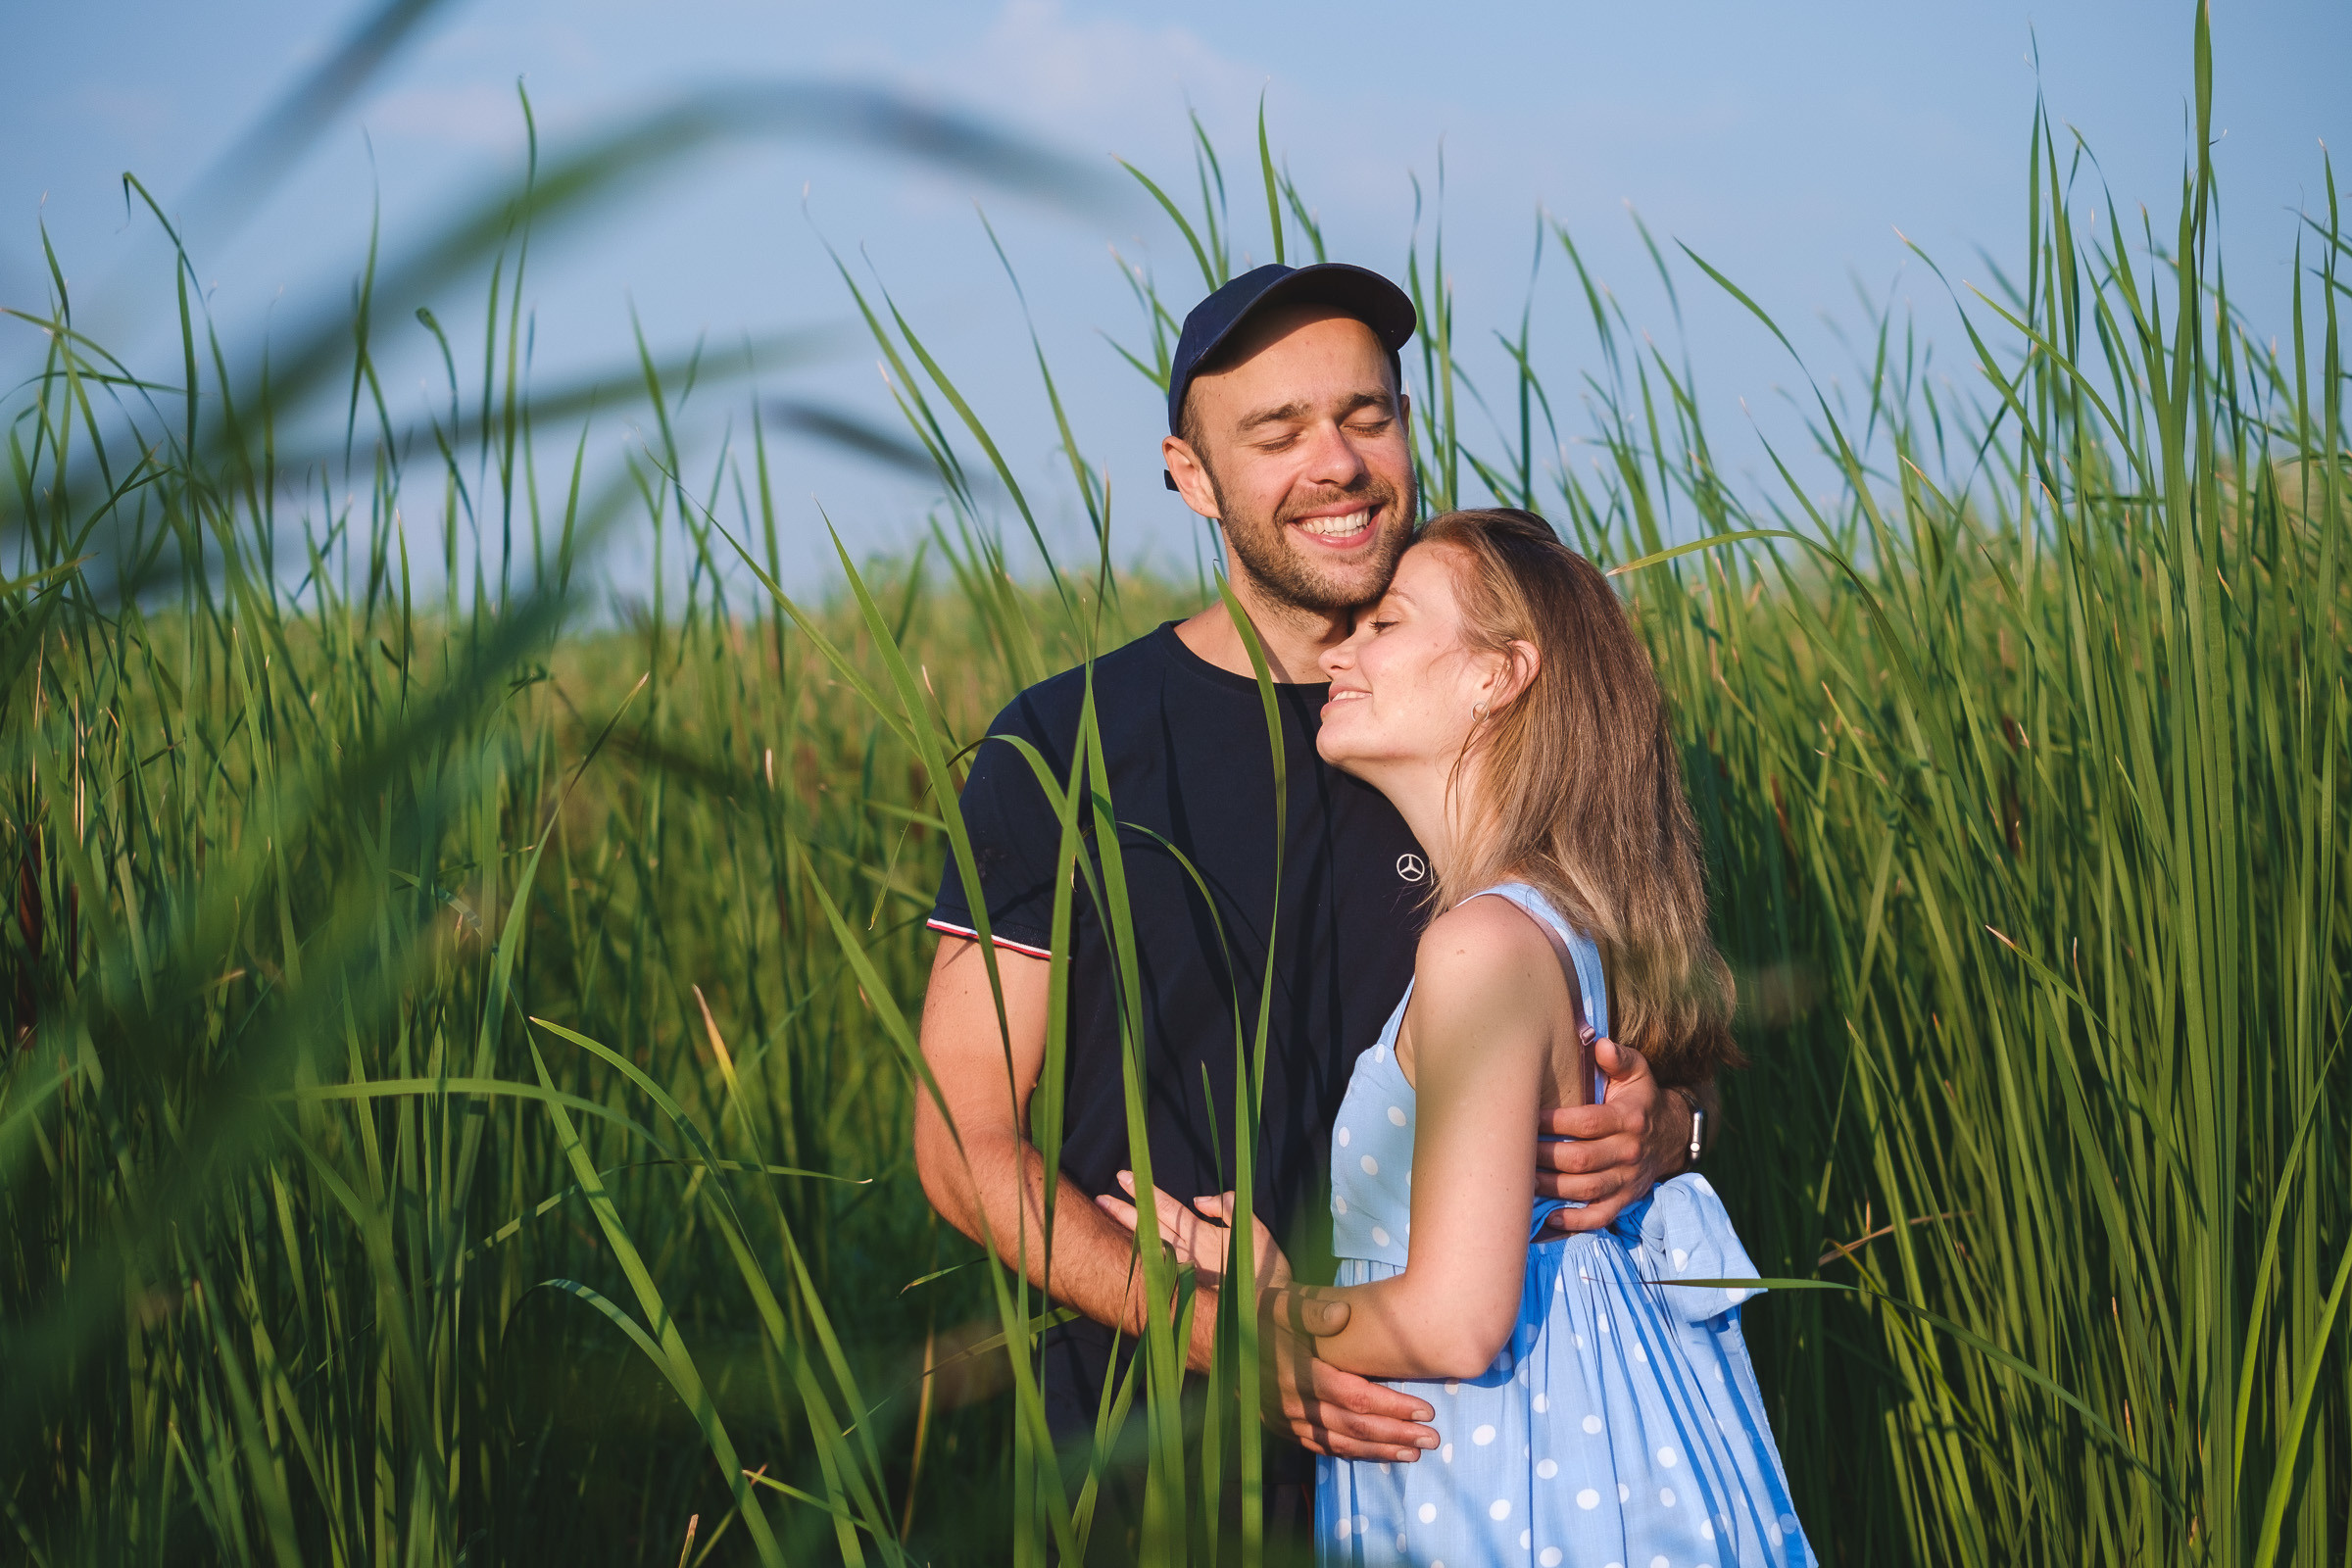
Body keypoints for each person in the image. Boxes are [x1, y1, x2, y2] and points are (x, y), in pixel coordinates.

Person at [911, 264, 1710, 1552]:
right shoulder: (1065, 747)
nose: (1335, 463)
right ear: (1190, 473)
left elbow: (1657, 1049)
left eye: (1366, 415)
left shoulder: (1502, 730)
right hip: (1160, 1473)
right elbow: (962, 1139)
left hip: (1478, 1470)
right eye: (1275, 434)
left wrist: (1671, 1130)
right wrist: (1222, 1335)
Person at [1103, 509, 1812, 1567]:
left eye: (1385, 623)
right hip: (1578, 1450)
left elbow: (1457, 1319)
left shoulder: (1480, 943)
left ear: (1498, 676)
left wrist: (1265, 1313)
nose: (1341, 649)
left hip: (1501, 1476)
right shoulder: (1553, 925)